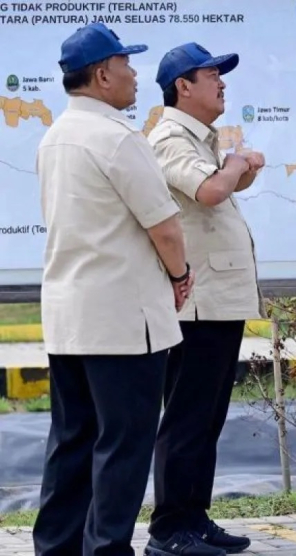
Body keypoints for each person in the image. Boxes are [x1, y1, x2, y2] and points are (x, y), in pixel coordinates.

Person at [33, 22, 192, 556]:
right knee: (123, 446)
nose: (134, 73)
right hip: (124, 321)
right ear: (102, 75)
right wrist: (180, 276)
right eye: (126, 63)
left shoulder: (54, 136)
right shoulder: (119, 137)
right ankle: (106, 550)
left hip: (69, 316)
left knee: (71, 443)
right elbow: (165, 228)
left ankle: (55, 547)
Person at [143, 42, 265, 556]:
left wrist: (238, 166)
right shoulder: (171, 137)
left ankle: (195, 516)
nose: (221, 82)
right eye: (211, 74)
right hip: (198, 303)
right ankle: (170, 528)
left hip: (218, 299)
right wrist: (237, 163)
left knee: (207, 417)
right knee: (188, 417)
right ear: (182, 87)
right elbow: (211, 192)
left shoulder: (201, 136)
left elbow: (219, 186)